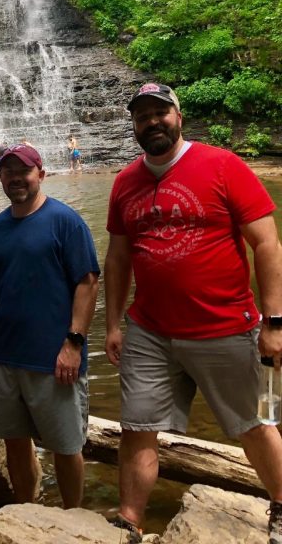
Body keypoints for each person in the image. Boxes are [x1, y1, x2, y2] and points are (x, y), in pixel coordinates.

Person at [104, 82, 282, 544]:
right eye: (142, 116)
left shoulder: (223, 165)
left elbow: (267, 242)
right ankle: (129, 520)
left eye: (160, 113)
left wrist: (274, 322)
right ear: (135, 126)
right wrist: (113, 323)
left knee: (256, 425)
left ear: (178, 117)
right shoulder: (125, 182)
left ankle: (281, 505)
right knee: (137, 429)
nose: (152, 122)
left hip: (225, 326)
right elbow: (118, 258)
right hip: (149, 330)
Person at [0, 144, 99, 509]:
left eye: (23, 171)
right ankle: (25, 512)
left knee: (66, 445)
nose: (15, 178)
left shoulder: (65, 221)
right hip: (8, 357)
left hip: (55, 359)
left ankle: (73, 517)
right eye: (8, 172)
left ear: (40, 174)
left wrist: (73, 343)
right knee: (14, 440)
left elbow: (88, 283)